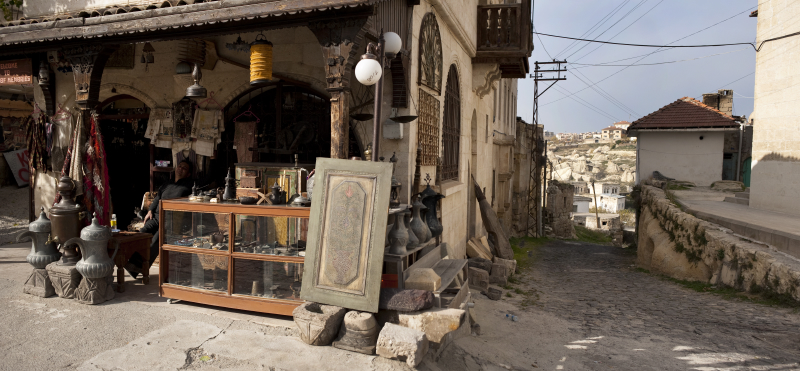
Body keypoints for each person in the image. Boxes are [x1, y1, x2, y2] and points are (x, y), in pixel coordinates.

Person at [126, 159, 194, 278]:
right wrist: (150, 210)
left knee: (156, 241)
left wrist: (213, 159)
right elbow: (158, 197)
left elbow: (209, 178)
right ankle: (134, 264)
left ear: (188, 173)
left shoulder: (189, 184)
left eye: (184, 168)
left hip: (171, 220)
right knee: (141, 234)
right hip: (157, 217)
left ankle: (137, 268)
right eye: (180, 166)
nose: (181, 168)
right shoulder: (167, 183)